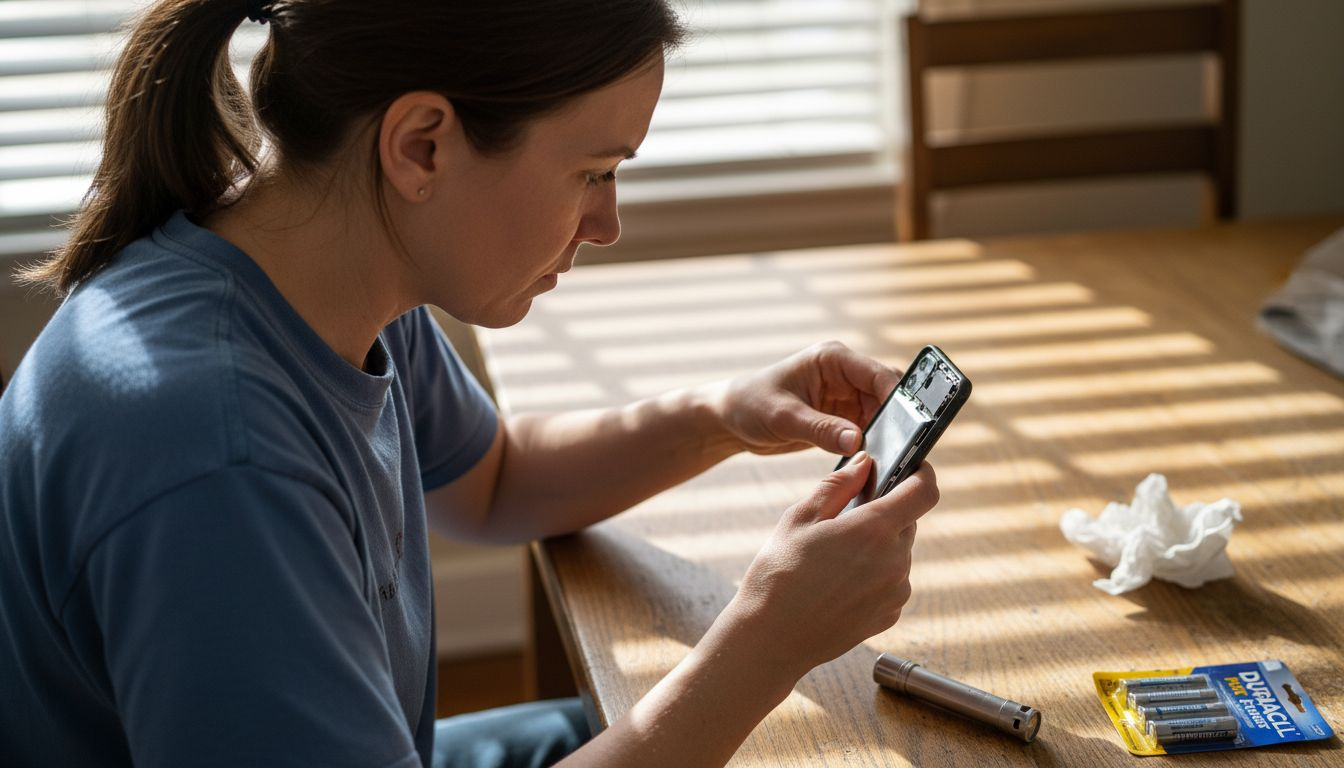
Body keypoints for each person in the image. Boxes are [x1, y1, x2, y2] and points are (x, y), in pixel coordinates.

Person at [0, 1, 939, 766]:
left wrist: (721, 416)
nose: (607, 223)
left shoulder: (323, 269)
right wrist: (768, 641)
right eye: (593, 171)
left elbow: (494, 485)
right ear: (422, 145)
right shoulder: (218, 458)